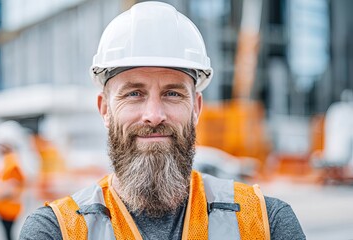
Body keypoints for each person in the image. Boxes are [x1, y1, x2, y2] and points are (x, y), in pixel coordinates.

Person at [20, 2, 305, 239]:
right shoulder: (57, 231)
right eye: (134, 93)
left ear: (196, 108)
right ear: (104, 109)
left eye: (172, 93)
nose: (154, 115)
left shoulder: (265, 223)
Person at [0, 121, 26, 240]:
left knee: (8, 235)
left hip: (9, 209)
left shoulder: (12, 163)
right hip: (3, 209)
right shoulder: (6, 160)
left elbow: (14, 189)